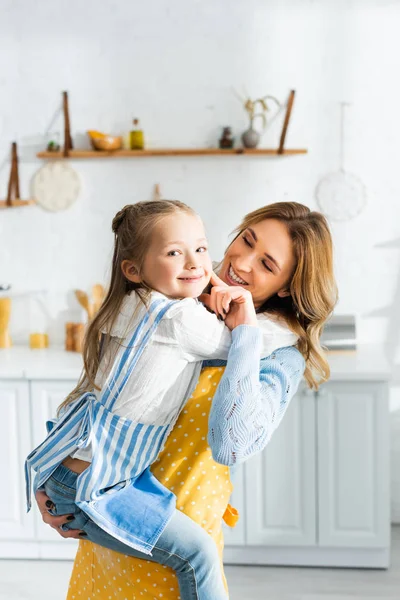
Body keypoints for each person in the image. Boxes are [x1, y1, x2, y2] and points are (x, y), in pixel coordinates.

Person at [35, 201, 338, 600]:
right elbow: (98, 391)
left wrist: (245, 328)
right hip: (108, 515)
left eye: (266, 264)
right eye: (245, 241)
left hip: (179, 541)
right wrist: (49, 473)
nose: (242, 263)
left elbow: (230, 444)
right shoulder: (177, 295)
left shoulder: (278, 353)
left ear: (286, 285)